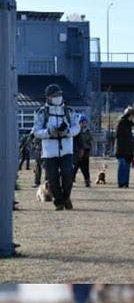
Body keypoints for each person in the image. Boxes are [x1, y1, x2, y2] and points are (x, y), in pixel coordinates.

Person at [31, 82, 80, 210]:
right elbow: (36, 131)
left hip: (67, 149)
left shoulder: (69, 111)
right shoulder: (41, 112)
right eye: (55, 95)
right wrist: (48, 132)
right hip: (49, 150)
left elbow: (77, 127)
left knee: (68, 176)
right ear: (48, 97)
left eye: (59, 94)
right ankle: (59, 202)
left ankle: (66, 197)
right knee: (52, 178)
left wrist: (68, 131)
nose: (58, 97)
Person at [114, 106, 134, 187]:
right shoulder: (121, 123)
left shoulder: (129, 125)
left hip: (128, 149)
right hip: (121, 148)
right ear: (129, 115)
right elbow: (118, 135)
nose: (133, 117)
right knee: (122, 166)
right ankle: (121, 183)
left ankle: (126, 183)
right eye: (132, 115)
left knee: (127, 166)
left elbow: (130, 139)